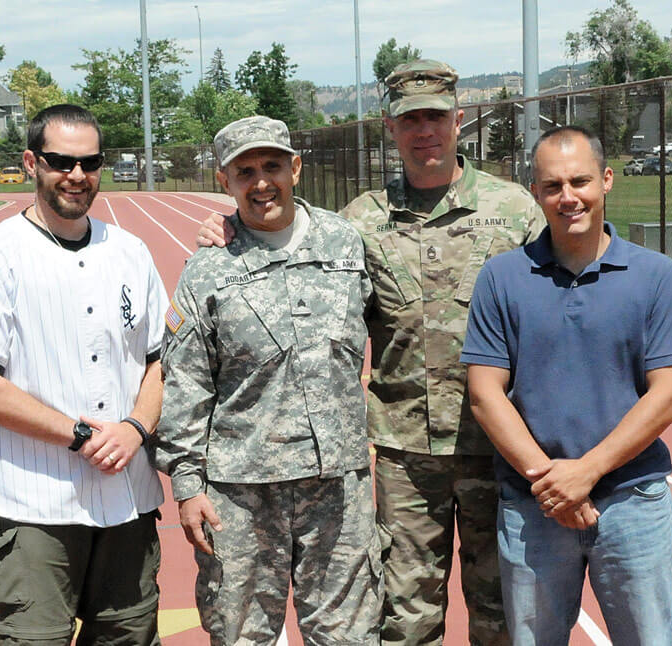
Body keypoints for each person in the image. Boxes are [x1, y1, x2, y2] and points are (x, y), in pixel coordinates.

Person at [196, 60, 546, 645]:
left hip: (500, 446)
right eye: (411, 120)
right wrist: (230, 227)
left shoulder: (515, 211)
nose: (424, 130)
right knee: (405, 617)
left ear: (458, 119)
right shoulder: (358, 223)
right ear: (391, 127)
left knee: (504, 609)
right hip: (405, 456)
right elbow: (296, 266)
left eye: (436, 115)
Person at [0, 104, 168, 645]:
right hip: (36, 505)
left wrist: (133, 429)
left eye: (90, 162)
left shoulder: (130, 251)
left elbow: (160, 360)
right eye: (61, 161)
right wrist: (81, 435)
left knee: (129, 638)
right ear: (31, 162)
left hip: (129, 501)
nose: (77, 176)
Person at [461, 125, 672, 645]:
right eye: (552, 186)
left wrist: (586, 473)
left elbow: (669, 396)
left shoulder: (656, 275)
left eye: (580, 181)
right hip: (534, 506)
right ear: (535, 192)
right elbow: (484, 393)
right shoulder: (501, 278)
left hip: (633, 504)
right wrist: (552, 485)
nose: (568, 197)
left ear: (606, 180)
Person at [151, 115, 382, 645]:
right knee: (240, 636)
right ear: (223, 181)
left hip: (338, 489)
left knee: (349, 637)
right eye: (244, 171)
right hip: (241, 496)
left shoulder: (345, 243)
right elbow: (185, 385)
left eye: (272, 165)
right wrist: (187, 487)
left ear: (295, 168)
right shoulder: (209, 269)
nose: (261, 182)